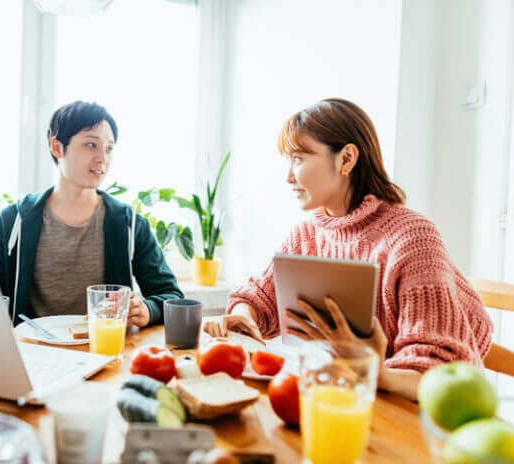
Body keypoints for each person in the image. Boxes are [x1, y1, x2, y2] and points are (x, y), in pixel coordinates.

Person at [204, 98, 493, 401]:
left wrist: (374, 371)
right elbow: (258, 297)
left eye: (299, 158)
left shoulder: (412, 238)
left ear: (346, 159)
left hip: (406, 414)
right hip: (346, 399)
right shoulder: (307, 235)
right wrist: (245, 316)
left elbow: (438, 372)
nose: (289, 176)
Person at [0, 101, 183, 327]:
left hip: (103, 354)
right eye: (91, 145)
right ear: (57, 147)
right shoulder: (12, 222)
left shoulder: (130, 224)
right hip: (31, 355)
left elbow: (171, 296)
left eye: (109, 148)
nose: (102, 158)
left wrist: (147, 309)